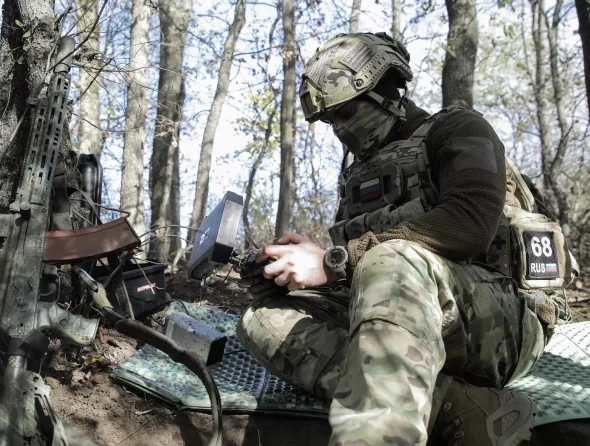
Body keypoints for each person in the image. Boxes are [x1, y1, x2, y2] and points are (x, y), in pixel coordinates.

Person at [236, 32, 575, 446]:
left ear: (385, 91)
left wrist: (331, 262)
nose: (339, 129)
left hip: (504, 323)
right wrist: (290, 277)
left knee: (391, 261)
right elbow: (366, 284)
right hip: (404, 324)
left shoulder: (458, 129)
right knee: (262, 319)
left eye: (346, 113)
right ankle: (461, 406)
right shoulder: (357, 176)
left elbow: (469, 223)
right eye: (330, 121)